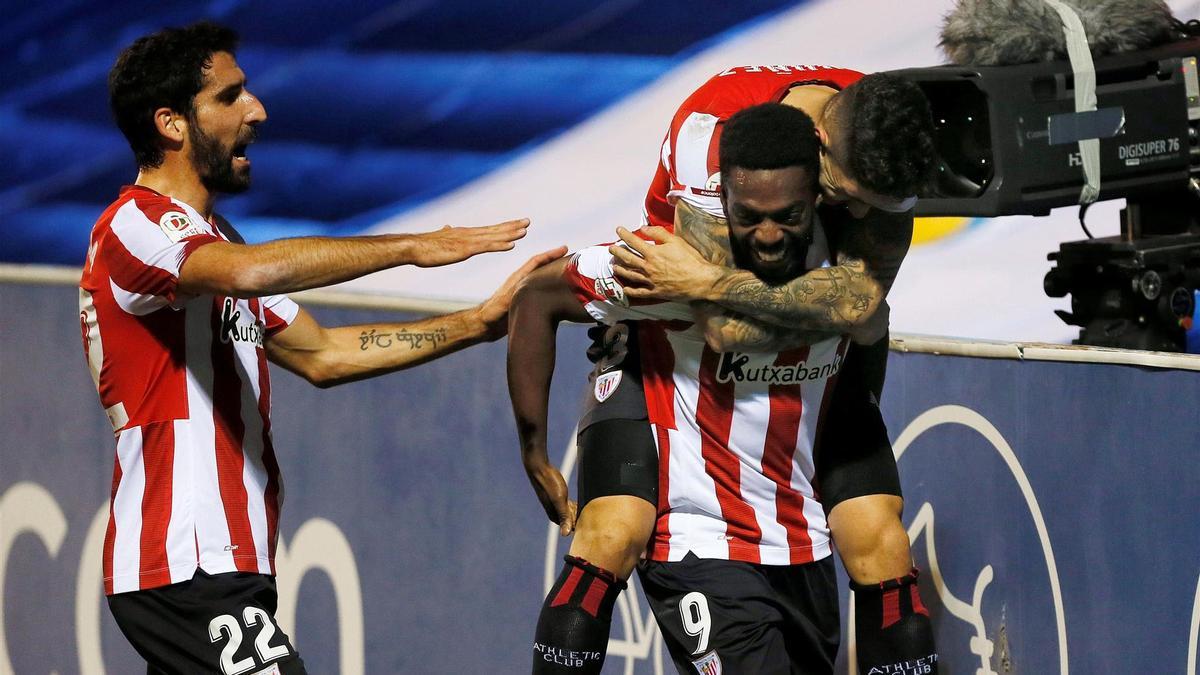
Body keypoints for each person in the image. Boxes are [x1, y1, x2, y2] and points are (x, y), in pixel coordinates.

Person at [80, 22, 563, 674]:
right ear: (171, 124)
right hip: (187, 562)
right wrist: (411, 247)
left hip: (232, 563)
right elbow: (252, 275)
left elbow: (324, 354)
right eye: (231, 97)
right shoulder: (137, 226)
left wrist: (476, 322)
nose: (258, 110)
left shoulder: (217, 241)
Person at [519, 66, 939, 674]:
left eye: (864, 203)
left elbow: (862, 306)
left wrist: (723, 283)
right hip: (666, 330)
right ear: (817, 140)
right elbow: (728, 328)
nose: (847, 210)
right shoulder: (711, 145)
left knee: (881, 538)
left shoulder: (876, 121)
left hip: (774, 334)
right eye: (841, 192)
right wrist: (533, 449)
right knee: (611, 533)